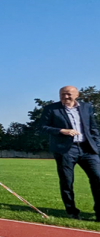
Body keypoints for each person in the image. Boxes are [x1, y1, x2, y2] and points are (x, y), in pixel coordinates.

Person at [39, 86, 100, 221]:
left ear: (77, 95)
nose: (65, 97)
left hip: (88, 149)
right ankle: (72, 212)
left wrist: (97, 145)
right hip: (65, 150)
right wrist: (61, 130)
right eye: (62, 94)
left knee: (98, 177)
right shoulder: (51, 109)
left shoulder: (86, 107)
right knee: (67, 182)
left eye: (68, 94)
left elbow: (93, 127)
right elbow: (42, 127)